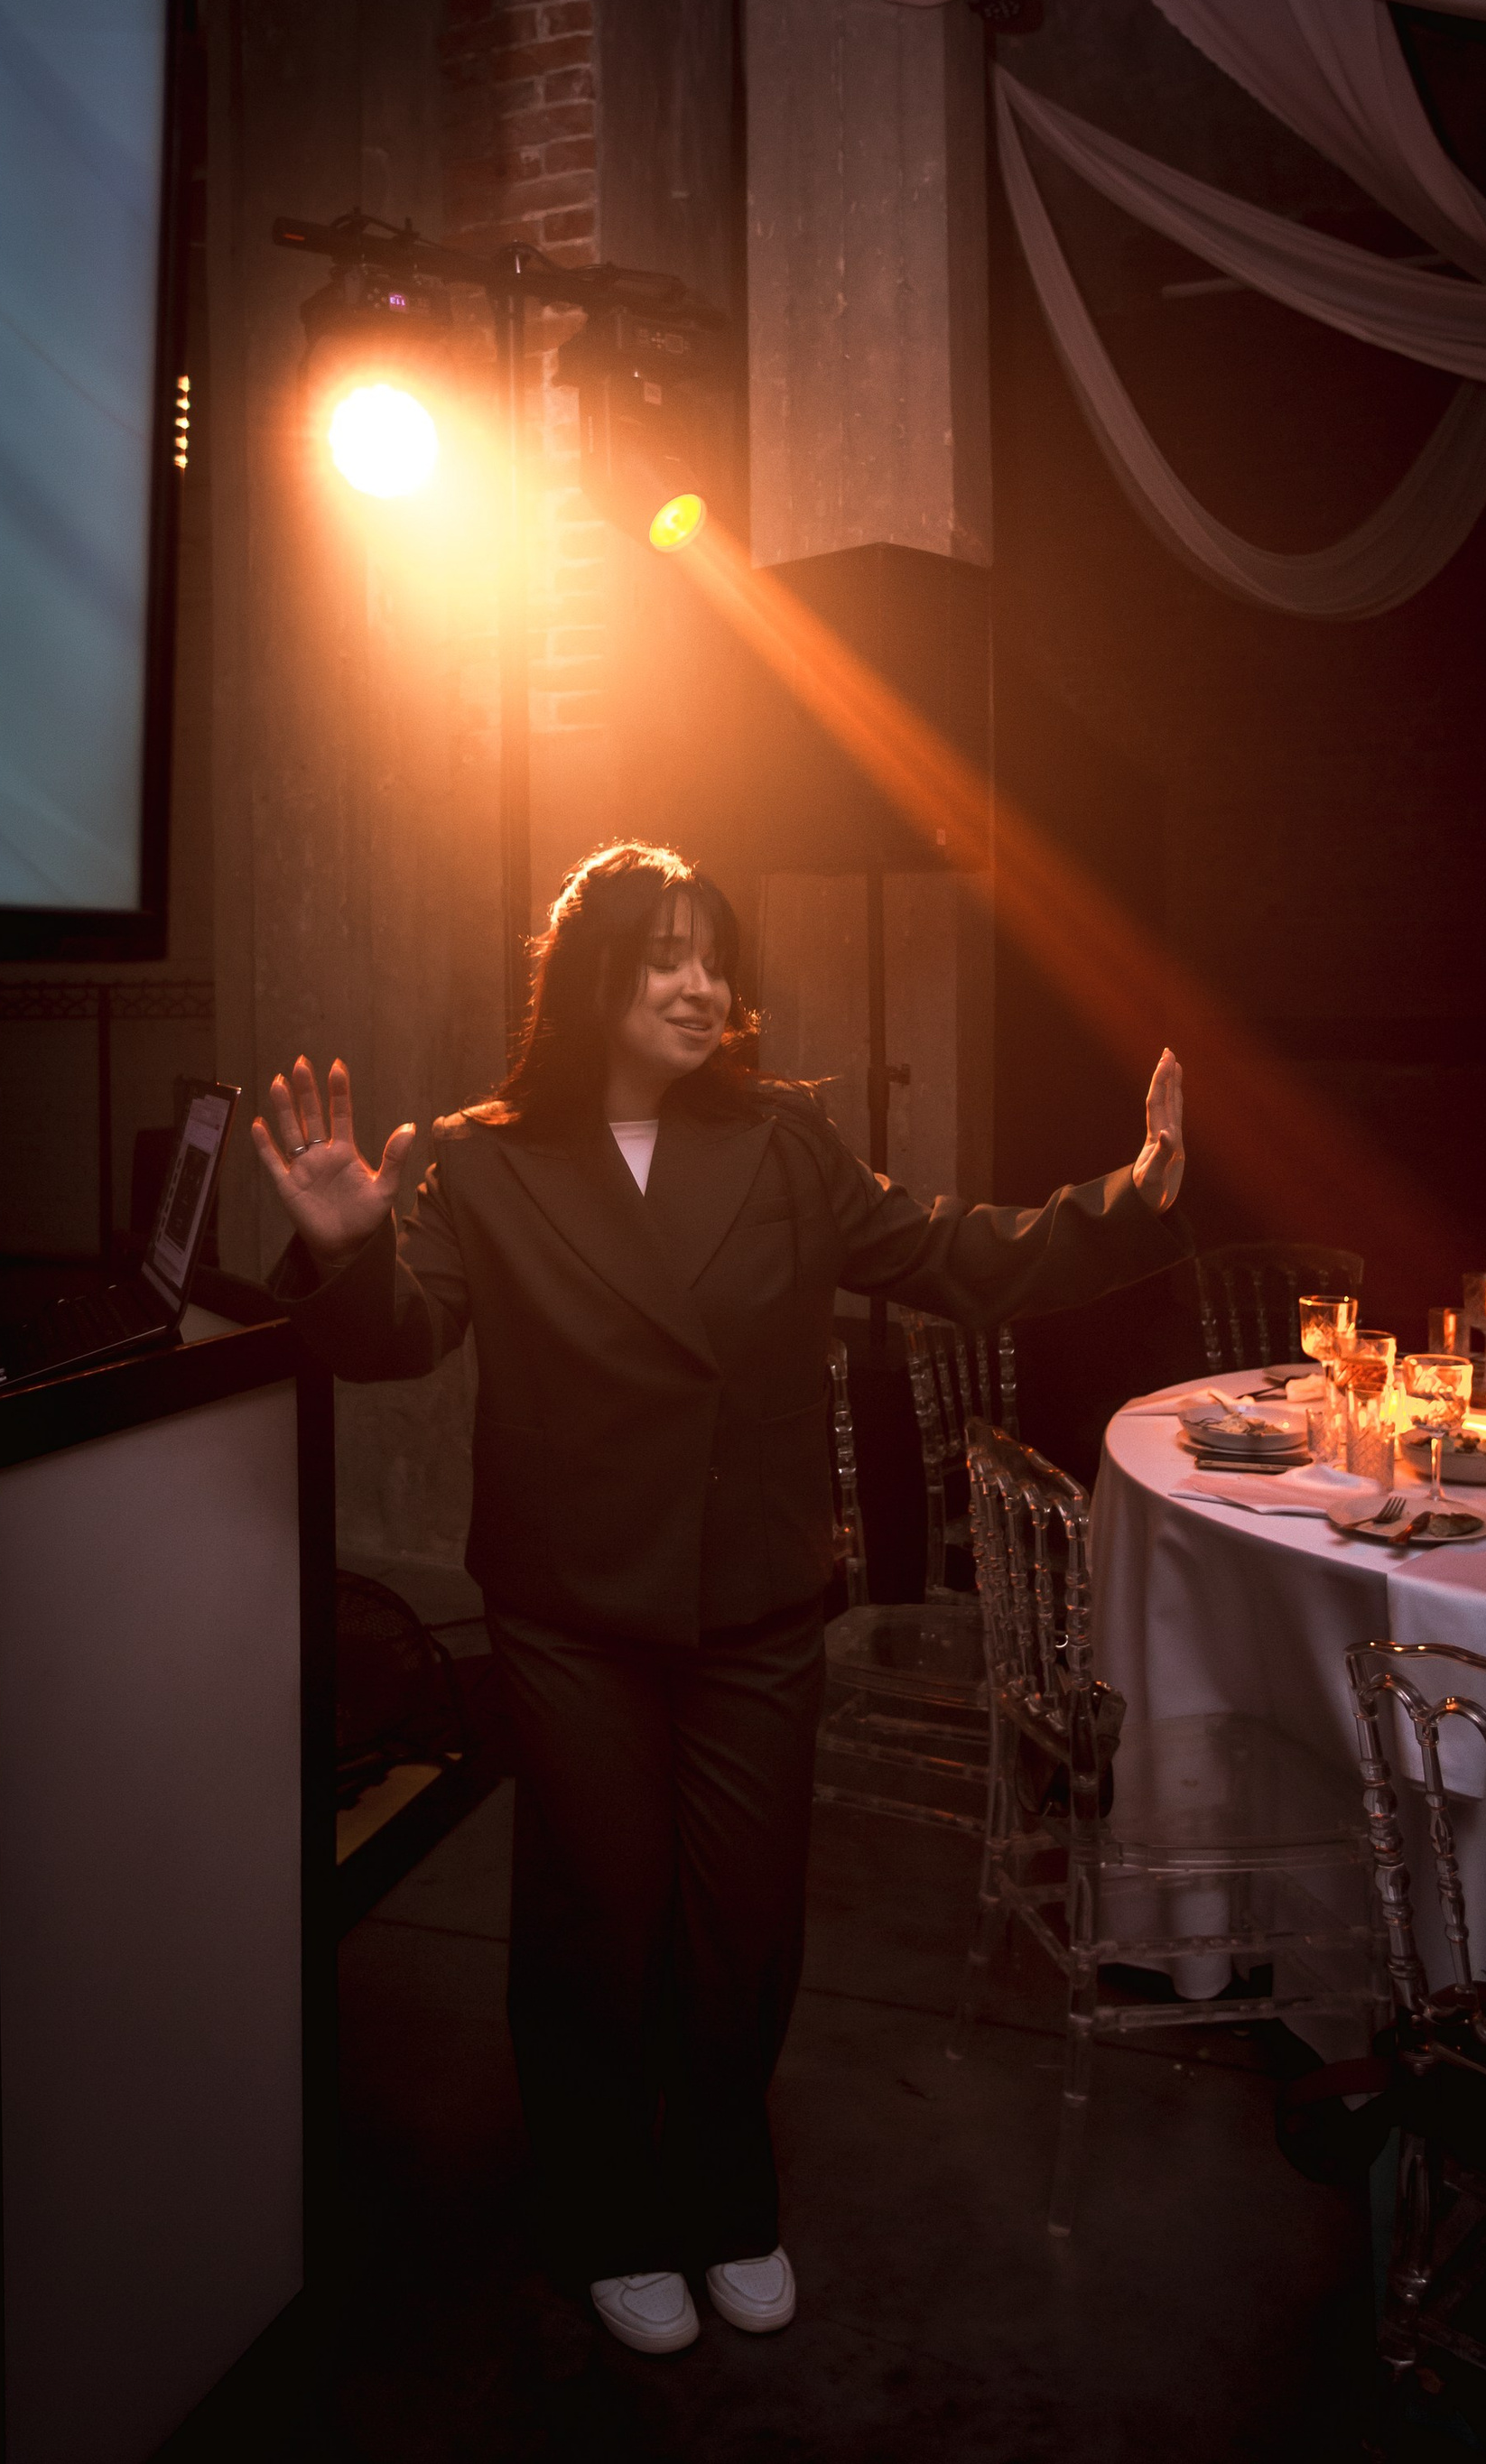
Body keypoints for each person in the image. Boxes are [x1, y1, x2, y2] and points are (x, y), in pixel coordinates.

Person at [257, 840, 1186, 2357]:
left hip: (752, 1597)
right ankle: (602, 2211)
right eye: (667, 955)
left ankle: (722, 2184)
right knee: (599, 1915)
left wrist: (1127, 1201)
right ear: (594, 976)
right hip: (571, 1608)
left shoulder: (785, 1138)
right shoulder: (484, 1159)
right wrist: (349, 1248)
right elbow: (403, 1339)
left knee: (744, 1923)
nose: (703, 985)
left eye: (715, 957)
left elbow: (950, 1251)